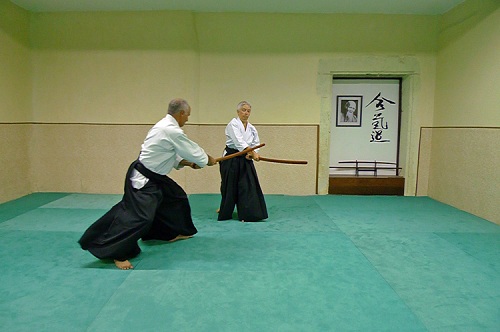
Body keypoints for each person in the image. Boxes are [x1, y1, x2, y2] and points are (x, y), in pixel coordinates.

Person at [79, 98, 217, 270]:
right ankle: (117, 252)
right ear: (181, 113)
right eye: (187, 115)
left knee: (176, 197)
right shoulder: (170, 130)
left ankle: (166, 234)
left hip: (156, 177)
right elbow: (192, 149)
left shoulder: (165, 127)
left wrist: (188, 163)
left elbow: (168, 152)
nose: (187, 119)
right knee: (140, 216)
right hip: (144, 178)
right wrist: (207, 160)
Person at [217, 101, 268, 222]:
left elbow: (256, 143)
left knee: (247, 185)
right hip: (231, 157)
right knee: (228, 186)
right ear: (238, 112)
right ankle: (225, 210)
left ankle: (247, 213)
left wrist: (254, 152)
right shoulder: (233, 124)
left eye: (248, 111)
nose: (246, 113)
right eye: (243, 110)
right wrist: (251, 152)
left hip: (246, 158)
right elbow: (239, 141)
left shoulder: (251, 128)